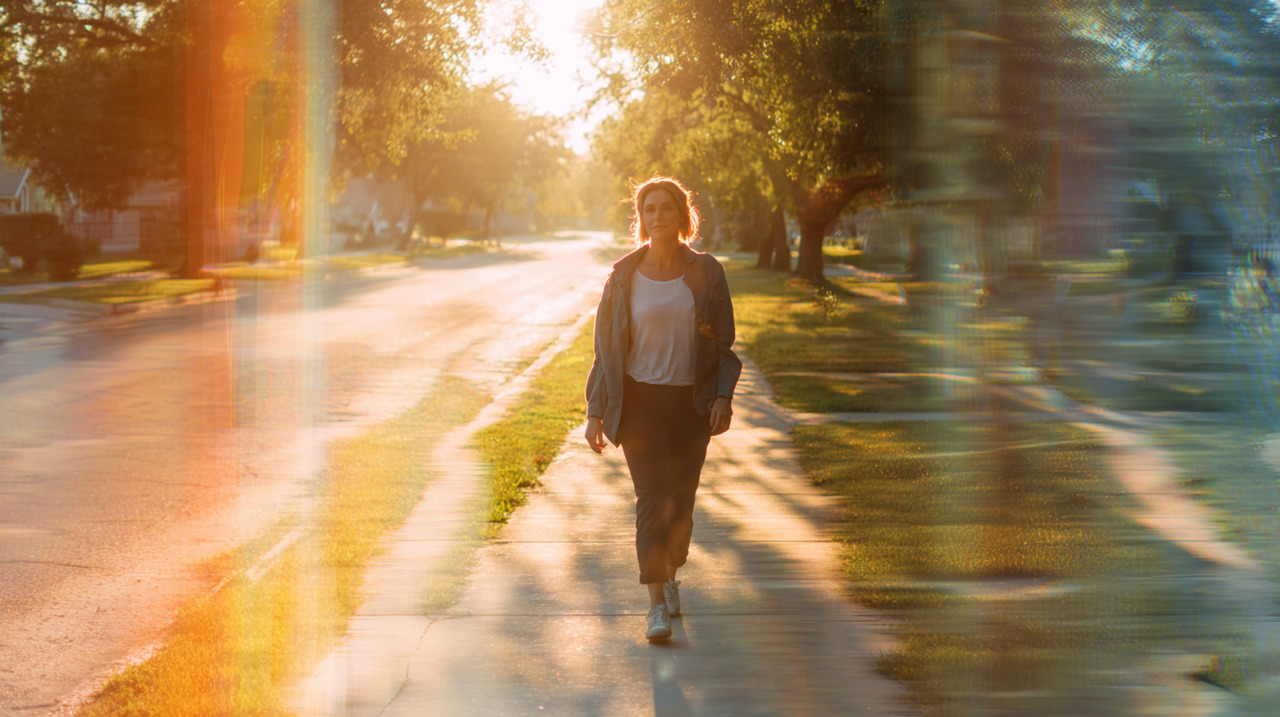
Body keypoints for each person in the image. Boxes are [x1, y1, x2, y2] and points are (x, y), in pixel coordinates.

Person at [584, 176, 742, 641]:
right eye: (649, 209)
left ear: (681, 216)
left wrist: (722, 395)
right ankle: (655, 604)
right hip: (639, 401)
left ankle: (672, 573)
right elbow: (605, 350)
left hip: (690, 401)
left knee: (681, 504)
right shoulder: (622, 277)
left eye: (666, 208)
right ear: (642, 218)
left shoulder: (707, 271)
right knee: (652, 499)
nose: (657, 216)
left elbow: (724, 345)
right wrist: (595, 411)